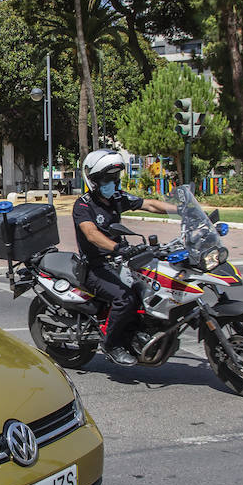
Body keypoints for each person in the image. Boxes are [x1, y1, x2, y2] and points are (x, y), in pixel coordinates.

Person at [72, 149, 177, 365]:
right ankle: (111, 345)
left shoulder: (117, 199)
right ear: (93, 180)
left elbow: (149, 204)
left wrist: (181, 210)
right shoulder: (83, 205)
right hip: (96, 267)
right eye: (107, 179)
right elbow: (91, 234)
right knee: (125, 298)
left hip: (119, 262)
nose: (113, 183)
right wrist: (117, 248)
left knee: (152, 289)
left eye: (115, 178)